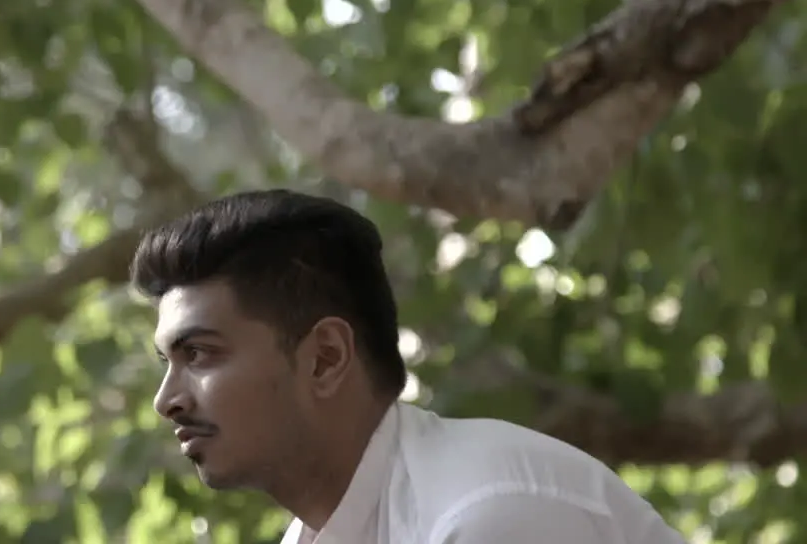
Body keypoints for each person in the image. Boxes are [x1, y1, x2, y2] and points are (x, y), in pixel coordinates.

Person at [130, 189, 686, 544]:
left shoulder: (487, 516)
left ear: (325, 358)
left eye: (198, 354)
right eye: (167, 361)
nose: (167, 400)